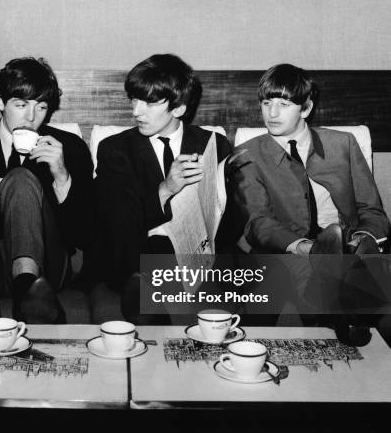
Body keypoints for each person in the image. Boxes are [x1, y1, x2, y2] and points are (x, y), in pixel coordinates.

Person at [231, 63, 390, 340]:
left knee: (354, 268)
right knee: (323, 273)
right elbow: (257, 223)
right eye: (266, 103)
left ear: (305, 108)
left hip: (348, 246)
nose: (272, 113)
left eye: (283, 104)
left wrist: (362, 238)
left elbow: (371, 209)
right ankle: (346, 320)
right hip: (288, 251)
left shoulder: (343, 144)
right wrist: (306, 247)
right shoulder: (248, 154)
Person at [0, 57, 93, 324]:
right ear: (0, 102)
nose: (31, 117)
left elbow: (84, 234)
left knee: (21, 179)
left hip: (44, 269)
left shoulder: (68, 147)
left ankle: (27, 296)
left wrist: (61, 175)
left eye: (41, 107)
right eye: (21, 105)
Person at [93, 54, 232, 323]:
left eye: (149, 102)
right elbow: (119, 221)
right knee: (143, 268)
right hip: (138, 253)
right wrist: (166, 188)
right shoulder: (115, 149)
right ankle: (149, 296)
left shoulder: (213, 144)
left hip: (197, 256)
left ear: (178, 108)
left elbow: (231, 220)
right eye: (134, 99)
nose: (136, 111)